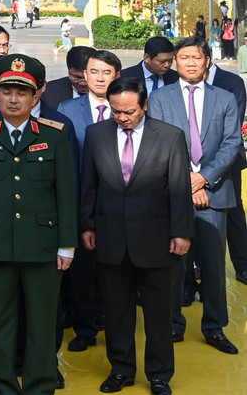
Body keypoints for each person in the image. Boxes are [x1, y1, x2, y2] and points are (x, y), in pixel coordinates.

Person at [0, 54, 76, 395]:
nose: (14, 99)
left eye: (22, 92)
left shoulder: (54, 135)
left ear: (35, 96)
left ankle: (41, 386)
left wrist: (66, 244)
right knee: (0, 324)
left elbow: (66, 194)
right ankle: (4, 386)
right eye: (7, 91)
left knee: (42, 325)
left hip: (43, 247)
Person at [81, 77, 192, 395]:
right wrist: (87, 225)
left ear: (144, 105)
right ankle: (121, 369)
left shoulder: (170, 137)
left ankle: (159, 374)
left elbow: (180, 189)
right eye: (116, 111)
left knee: (159, 313)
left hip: (156, 239)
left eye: (129, 111)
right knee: (116, 311)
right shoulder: (96, 134)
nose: (123, 117)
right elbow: (89, 184)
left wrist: (181, 233)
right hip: (110, 238)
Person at [148, 37, 241, 354]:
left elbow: (232, 145)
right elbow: (159, 141)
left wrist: (203, 179)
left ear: (207, 61)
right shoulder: (159, 98)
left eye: (196, 57)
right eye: (183, 57)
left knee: (213, 266)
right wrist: (188, 181)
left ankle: (214, 327)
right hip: (173, 193)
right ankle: (173, 324)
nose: (190, 62)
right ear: (175, 61)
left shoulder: (225, 98)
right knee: (174, 263)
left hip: (215, 193)